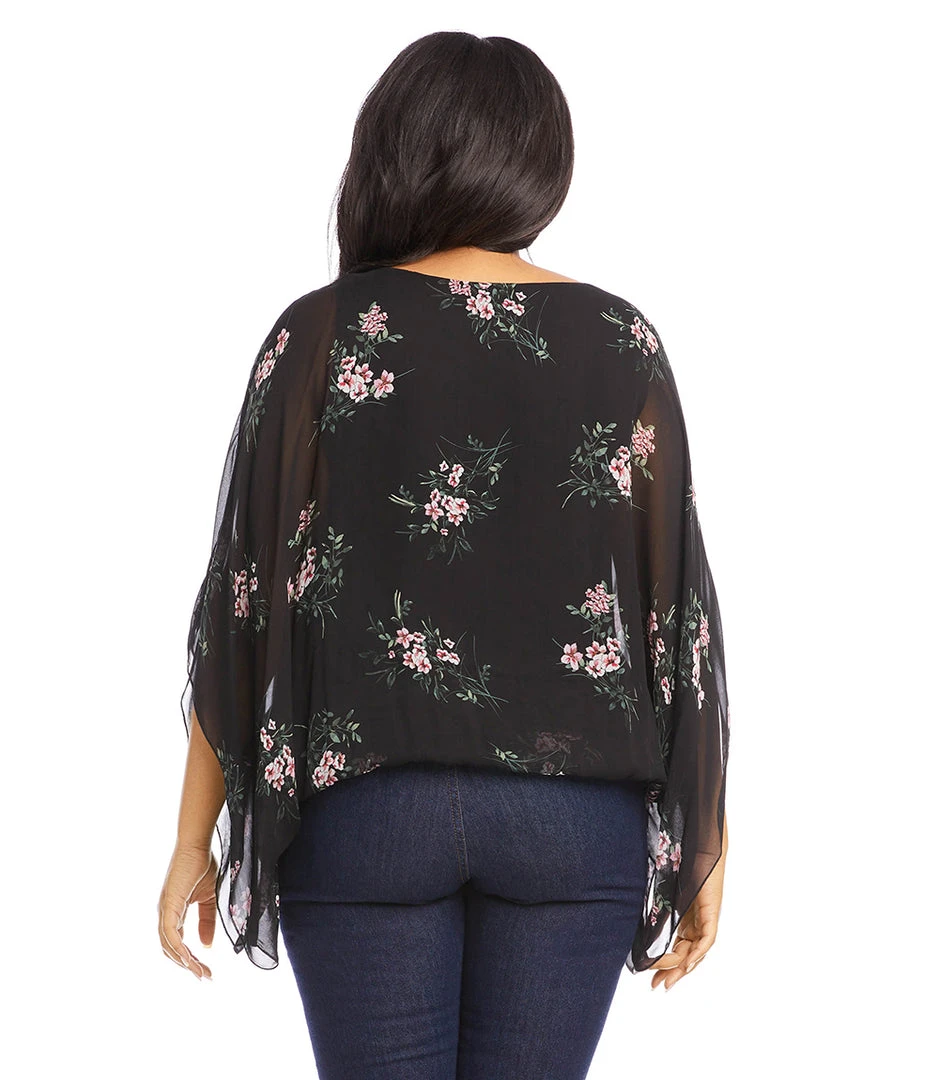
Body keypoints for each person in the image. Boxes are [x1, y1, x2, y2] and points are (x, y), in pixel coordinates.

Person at [158, 29, 730, 1080]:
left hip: (369, 814)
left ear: (391, 151)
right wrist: (706, 846)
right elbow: (676, 621)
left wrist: (196, 838)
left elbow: (242, 607)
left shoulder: (320, 334)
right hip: (573, 824)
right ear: (541, 160)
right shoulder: (620, 340)